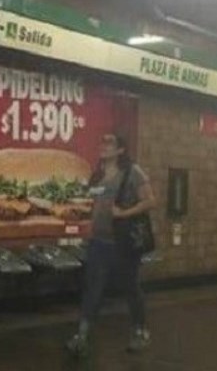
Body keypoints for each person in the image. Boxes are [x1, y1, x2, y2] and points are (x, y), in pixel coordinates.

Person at [66, 133, 156, 356]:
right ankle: (82, 336)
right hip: (99, 241)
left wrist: (124, 213)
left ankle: (140, 331)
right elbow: (93, 202)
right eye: (102, 142)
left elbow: (150, 201)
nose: (104, 146)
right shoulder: (97, 174)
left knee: (130, 287)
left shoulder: (133, 172)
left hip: (123, 242)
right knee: (93, 289)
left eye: (110, 143)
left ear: (120, 150)